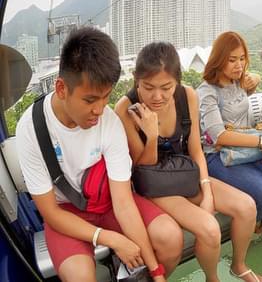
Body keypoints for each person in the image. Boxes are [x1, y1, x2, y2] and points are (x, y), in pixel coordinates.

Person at [15, 27, 182, 282]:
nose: (99, 110)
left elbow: (123, 203)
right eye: (90, 100)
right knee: (80, 277)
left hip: (108, 203)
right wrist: (111, 239)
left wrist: (157, 273)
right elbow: (51, 213)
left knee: (170, 237)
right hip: (66, 213)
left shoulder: (109, 121)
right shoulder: (31, 129)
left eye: (106, 98)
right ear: (61, 89)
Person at [114, 42, 262, 282]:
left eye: (166, 87)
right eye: (148, 87)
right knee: (209, 228)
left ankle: (239, 265)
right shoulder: (125, 108)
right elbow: (141, 169)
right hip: (154, 185)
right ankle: (212, 278)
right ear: (136, 80)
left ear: (177, 81)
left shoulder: (187, 96)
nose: (157, 96)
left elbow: (195, 148)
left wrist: (206, 190)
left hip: (184, 173)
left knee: (247, 207)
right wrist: (151, 135)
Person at [197, 31, 262, 244]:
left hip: (246, 147)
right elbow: (219, 136)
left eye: (242, 59)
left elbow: (251, 85)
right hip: (218, 155)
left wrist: (256, 78)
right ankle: (251, 226)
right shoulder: (207, 92)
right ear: (218, 59)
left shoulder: (238, 82)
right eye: (232, 60)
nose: (239, 65)